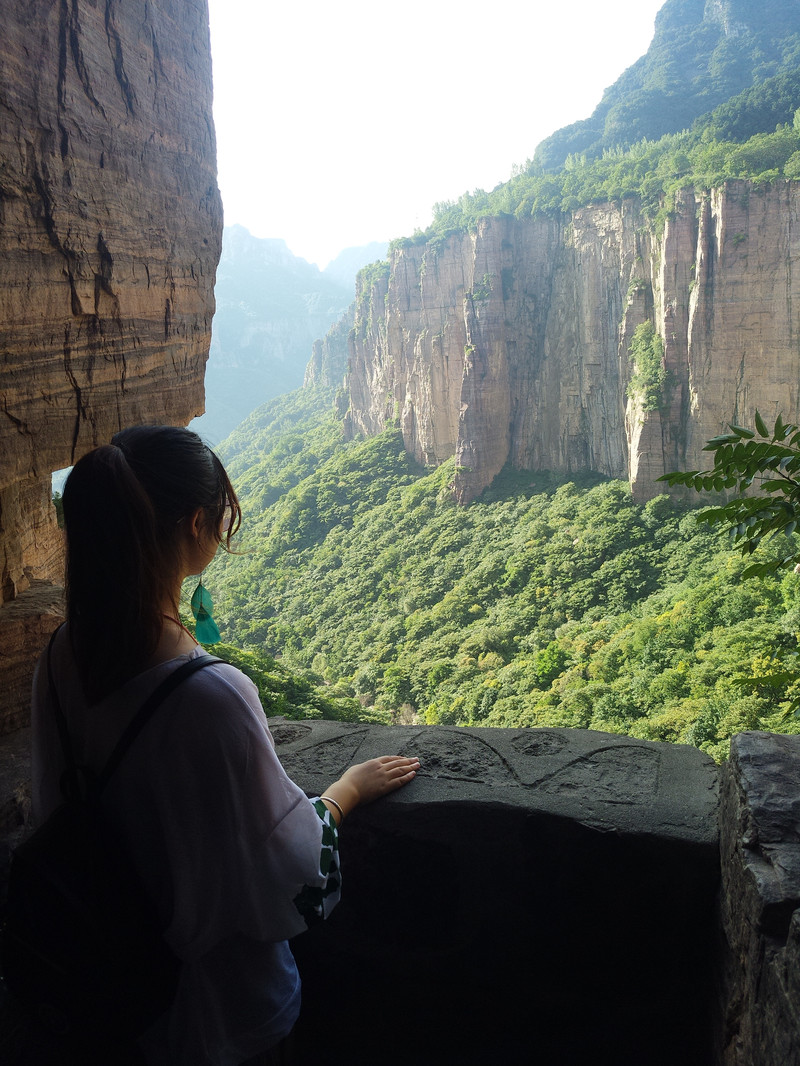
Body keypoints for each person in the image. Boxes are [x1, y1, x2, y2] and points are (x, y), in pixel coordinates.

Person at [30, 425, 419, 1066]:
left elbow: (55, 812)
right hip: (218, 1014)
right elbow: (290, 876)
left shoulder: (58, 659)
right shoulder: (212, 697)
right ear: (194, 527)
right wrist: (345, 793)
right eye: (221, 519)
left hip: (103, 997)